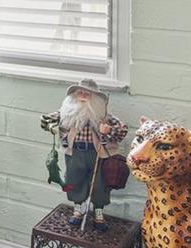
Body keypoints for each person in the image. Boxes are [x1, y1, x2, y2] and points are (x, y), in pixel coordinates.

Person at [40, 79, 130, 229]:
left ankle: (98, 212)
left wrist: (109, 130)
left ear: (94, 97)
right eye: (79, 92)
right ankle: (78, 209)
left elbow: (123, 130)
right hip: (74, 153)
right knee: (74, 180)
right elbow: (44, 121)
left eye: (87, 93)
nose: (82, 95)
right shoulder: (66, 113)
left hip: (97, 154)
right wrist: (50, 126)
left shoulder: (103, 115)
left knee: (99, 183)